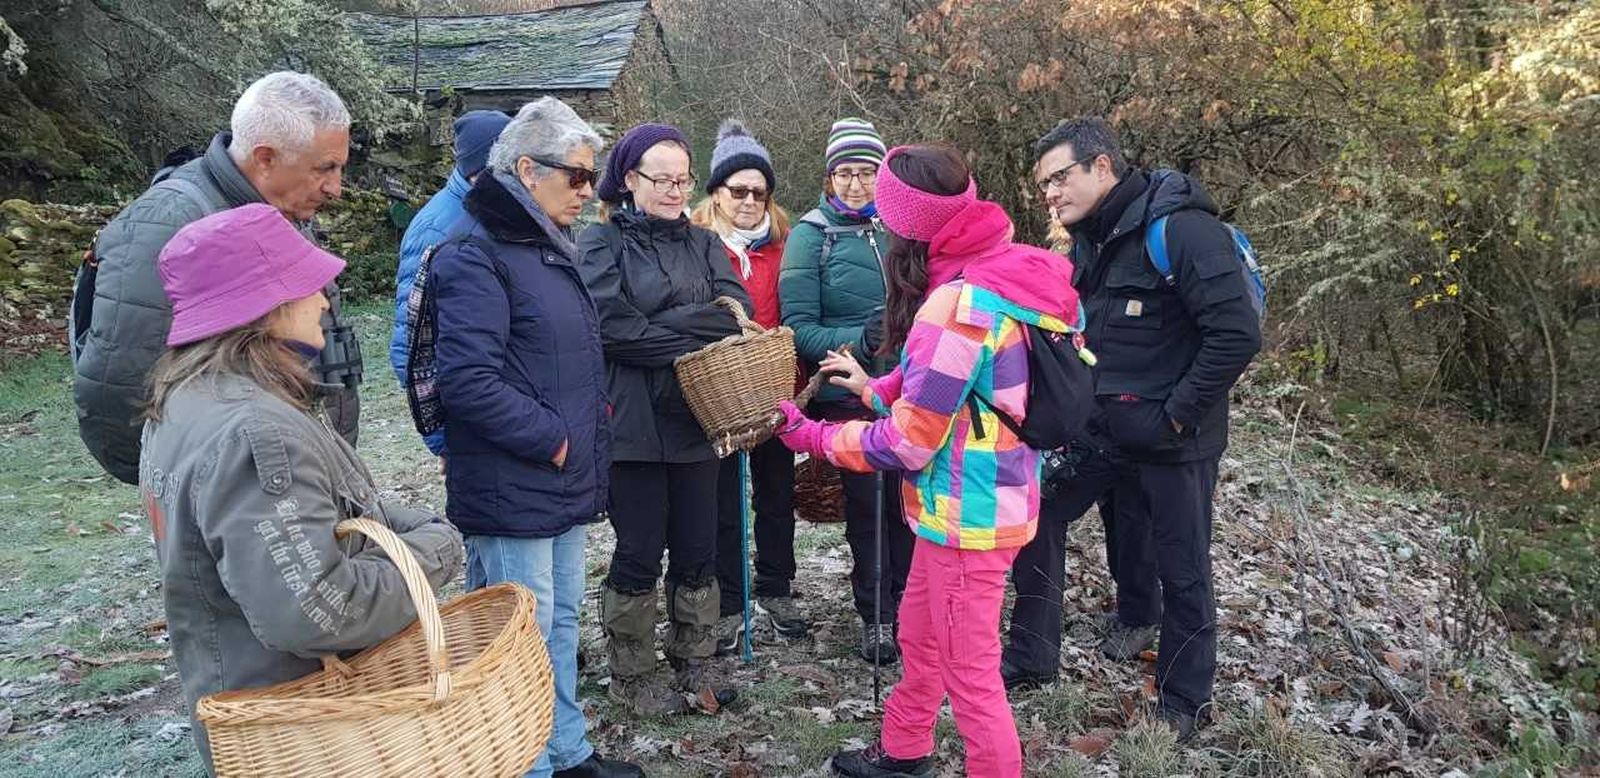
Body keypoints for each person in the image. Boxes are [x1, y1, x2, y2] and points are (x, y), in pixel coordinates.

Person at [774, 144, 1080, 778]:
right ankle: (904, 750)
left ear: (907, 230)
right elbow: (972, 384)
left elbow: (909, 442)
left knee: (970, 672)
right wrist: (875, 388)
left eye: (887, 224)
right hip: (992, 499)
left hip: (967, 515)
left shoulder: (958, 305)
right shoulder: (1014, 271)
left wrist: (814, 438)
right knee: (919, 635)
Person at [138, 203, 463, 775]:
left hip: (259, 716)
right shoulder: (253, 431)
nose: (323, 301)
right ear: (263, 307)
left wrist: (402, 523)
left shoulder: (186, 403)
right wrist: (436, 552)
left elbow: (318, 511)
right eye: (308, 285)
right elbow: (316, 613)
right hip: (306, 731)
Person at [1013, 118, 1262, 741]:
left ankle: (1184, 702)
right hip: (1103, 429)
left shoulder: (1181, 231)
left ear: (1102, 166)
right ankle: (1033, 656)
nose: (1050, 194)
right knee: (1036, 512)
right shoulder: (1090, 241)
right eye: (1043, 184)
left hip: (1176, 438)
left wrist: (1177, 412)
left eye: (1060, 177)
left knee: (1184, 569)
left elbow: (1235, 334)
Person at [429, 98, 643, 778]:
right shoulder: (474, 253)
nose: (589, 191)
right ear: (527, 168)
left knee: (558, 625)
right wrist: (553, 440)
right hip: (514, 479)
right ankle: (525, 764)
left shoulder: (547, 246)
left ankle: (565, 749)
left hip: (562, 475)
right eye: (577, 177)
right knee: (518, 637)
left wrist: (581, 437)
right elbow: (468, 382)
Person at [75, 71, 364, 484]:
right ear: (265, 159)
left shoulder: (282, 208)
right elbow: (117, 391)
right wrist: (209, 489)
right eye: (326, 168)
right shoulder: (165, 227)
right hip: (246, 494)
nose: (336, 188)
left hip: (299, 473)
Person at [576, 122, 752, 716]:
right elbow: (609, 327)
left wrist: (658, 331)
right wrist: (686, 329)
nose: (676, 190)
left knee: (699, 544)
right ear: (629, 180)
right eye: (663, 179)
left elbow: (734, 315)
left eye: (683, 179)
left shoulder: (705, 244)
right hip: (630, 423)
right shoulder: (600, 245)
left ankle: (693, 657)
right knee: (639, 548)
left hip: (700, 416)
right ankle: (633, 671)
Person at [778, 117, 912, 664]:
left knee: (911, 502)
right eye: (844, 174)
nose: (855, 185)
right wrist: (859, 338)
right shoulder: (812, 236)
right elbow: (798, 329)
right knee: (869, 503)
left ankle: (910, 602)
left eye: (866, 173)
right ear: (828, 177)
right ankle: (877, 615)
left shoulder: (903, 228)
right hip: (847, 389)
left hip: (911, 385)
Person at [688, 119, 806, 653]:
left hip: (775, 385)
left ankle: (776, 585)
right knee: (722, 499)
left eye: (760, 192)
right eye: (738, 190)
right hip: (720, 391)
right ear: (717, 193)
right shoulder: (696, 245)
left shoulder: (785, 248)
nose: (750, 201)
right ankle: (731, 599)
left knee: (776, 492)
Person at [390, 109, 510, 457]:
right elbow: (409, 346)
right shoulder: (438, 228)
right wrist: (447, 443)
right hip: (470, 429)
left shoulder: (498, 210)